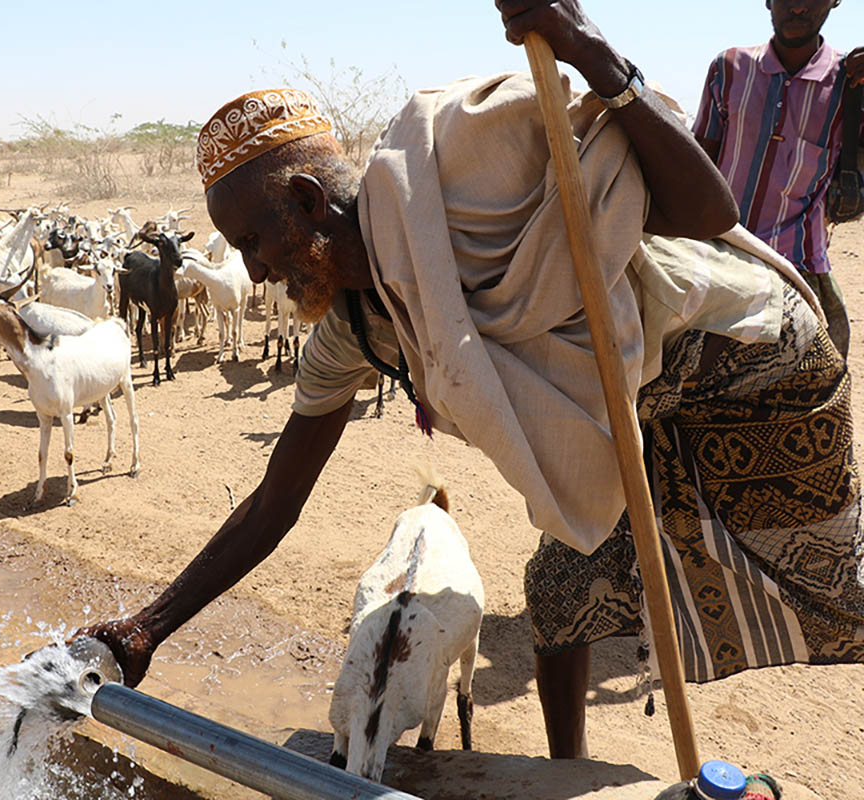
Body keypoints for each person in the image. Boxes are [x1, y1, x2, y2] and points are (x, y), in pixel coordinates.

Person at [78, 0, 864, 762]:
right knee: (563, 588)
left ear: (311, 203)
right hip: (629, 412)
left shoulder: (456, 170)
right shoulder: (348, 330)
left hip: (750, 367)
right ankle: (567, 777)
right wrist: (146, 629)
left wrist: (590, 51)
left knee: (833, 586)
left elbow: (709, 205)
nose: (251, 271)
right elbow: (274, 503)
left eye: (252, 239)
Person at [692, 0, 863, 356]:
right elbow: (696, 169)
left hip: (801, 274)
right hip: (719, 262)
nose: (798, 7)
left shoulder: (852, 85)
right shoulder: (729, 69)